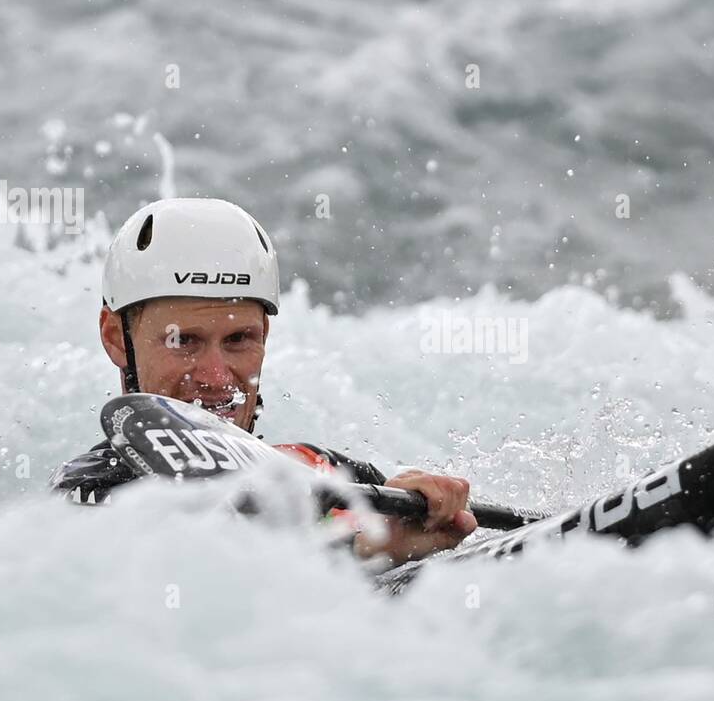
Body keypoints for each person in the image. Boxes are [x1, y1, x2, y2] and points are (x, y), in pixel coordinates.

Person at [50, 197, 478, 566]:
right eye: (184, 342)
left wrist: (425, 524)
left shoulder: (320, 467)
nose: (216, 377)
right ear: (114, 338)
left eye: (238, 339)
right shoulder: (86, 494)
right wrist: (364, 550)